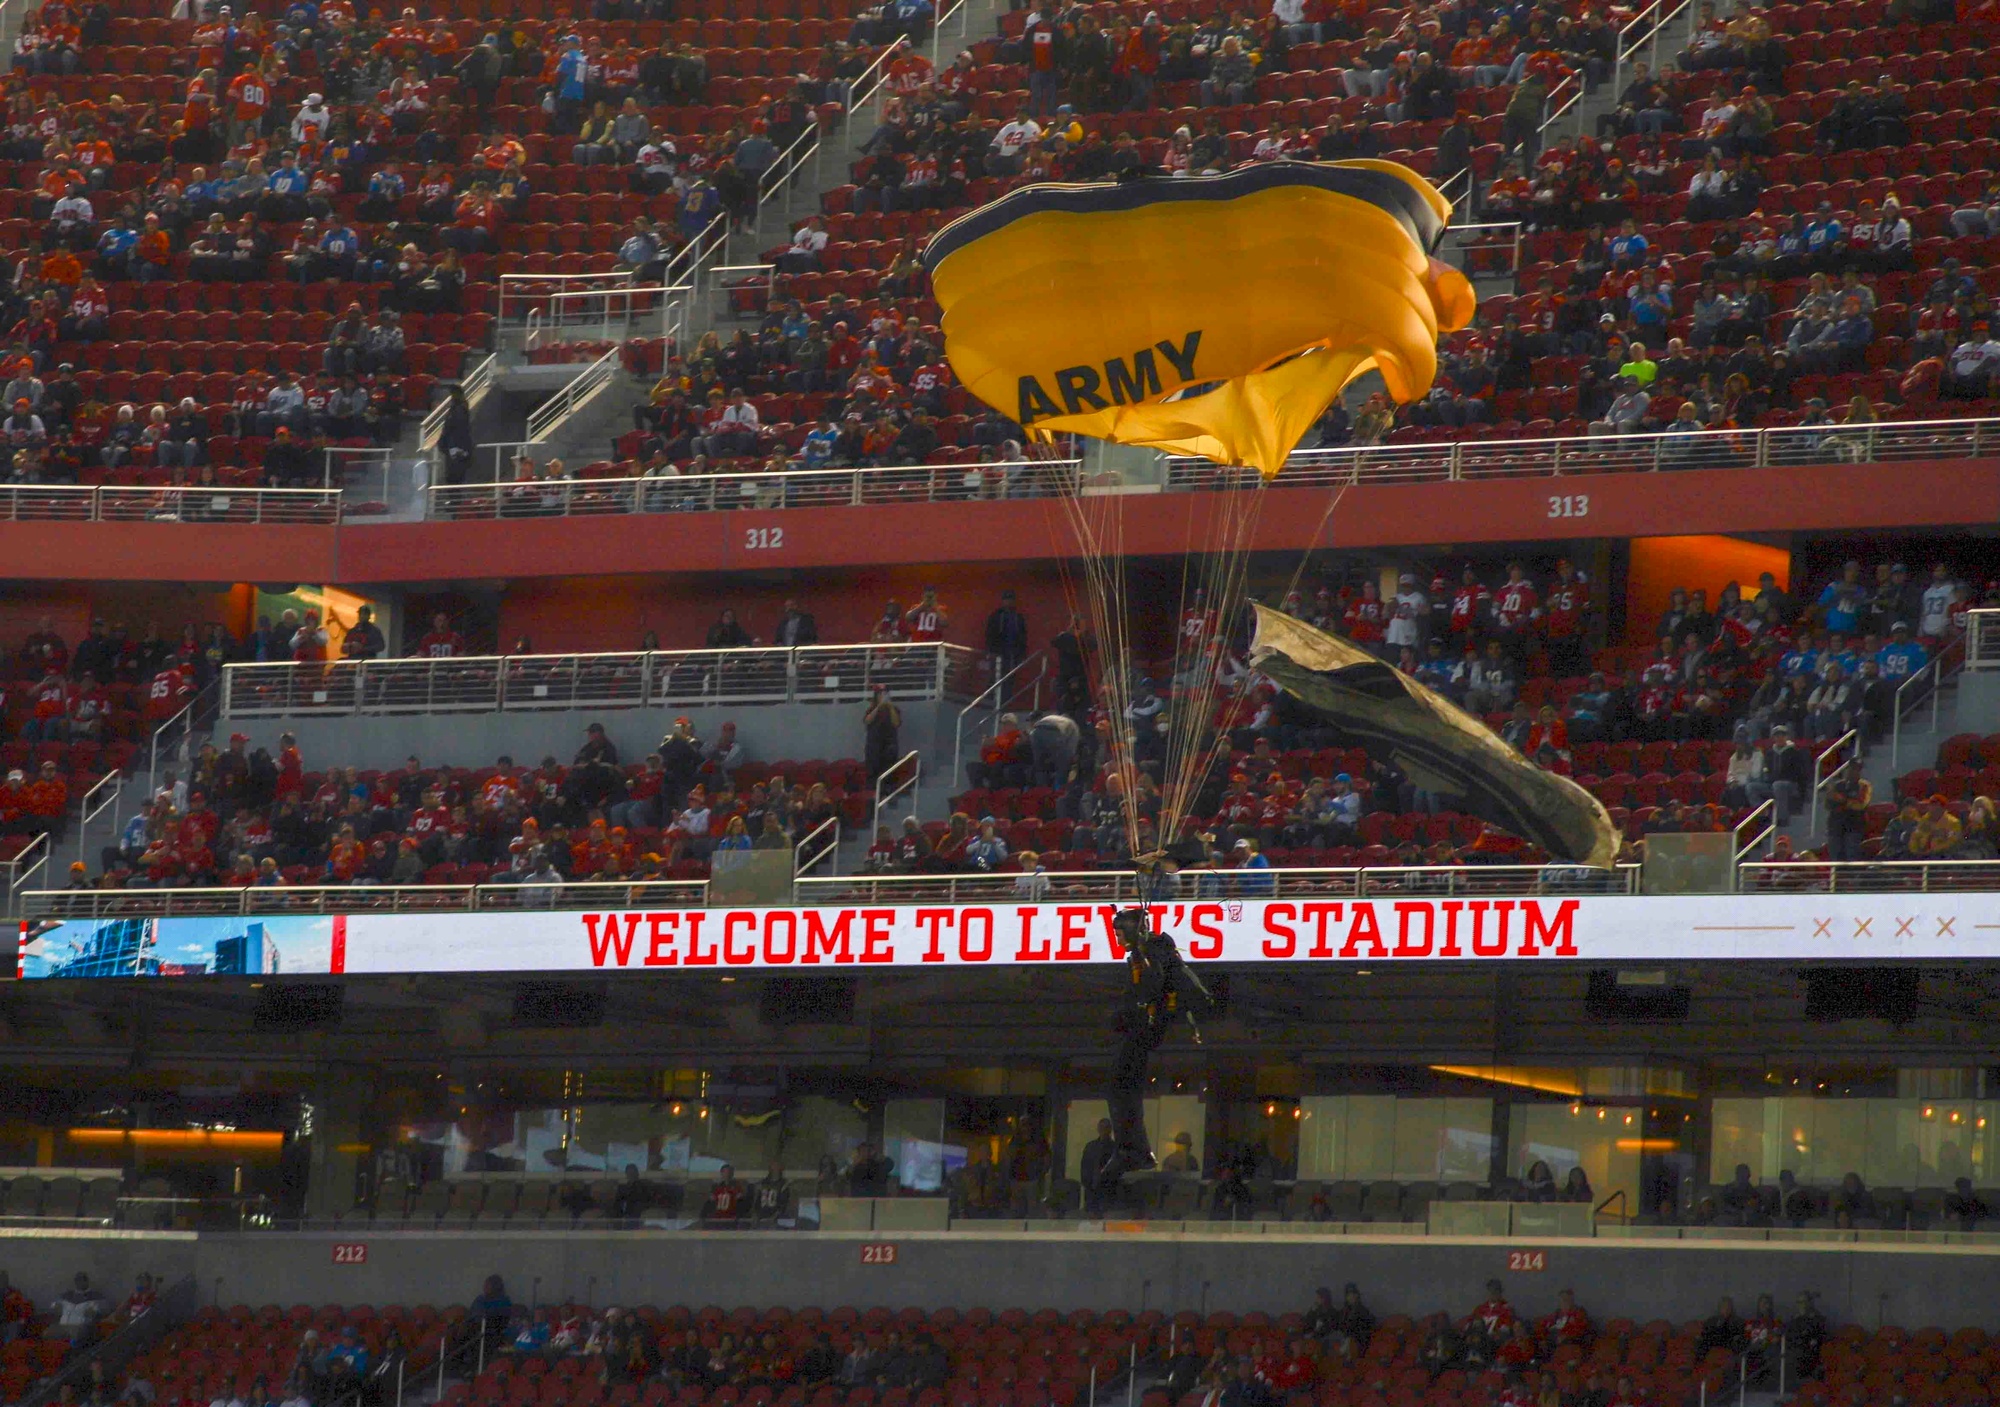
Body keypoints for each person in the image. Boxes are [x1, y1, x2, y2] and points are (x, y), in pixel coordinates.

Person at [1097, 906, 1222, 1196]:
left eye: (1119, 933)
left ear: (1133, 930)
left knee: (1119, 1086)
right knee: (1121, 1088)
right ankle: (1133, 1149)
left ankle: (1132, 1150)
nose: (1116, 939)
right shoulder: (1143, 955)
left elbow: (1156, 987)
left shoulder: (1155, 952)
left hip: (1147, 1029)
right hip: (1140, 1029)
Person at [863, 685, 901, 782]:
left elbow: (896, 723)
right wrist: (879, 706)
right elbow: (867, 720)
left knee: (888, 773)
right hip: (874, 747)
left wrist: (889, 706)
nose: (883, 696)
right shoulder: (871, 709)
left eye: (885, 693)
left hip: (889, 746)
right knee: (872, 772)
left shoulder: (894, 709)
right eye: (880, 693)